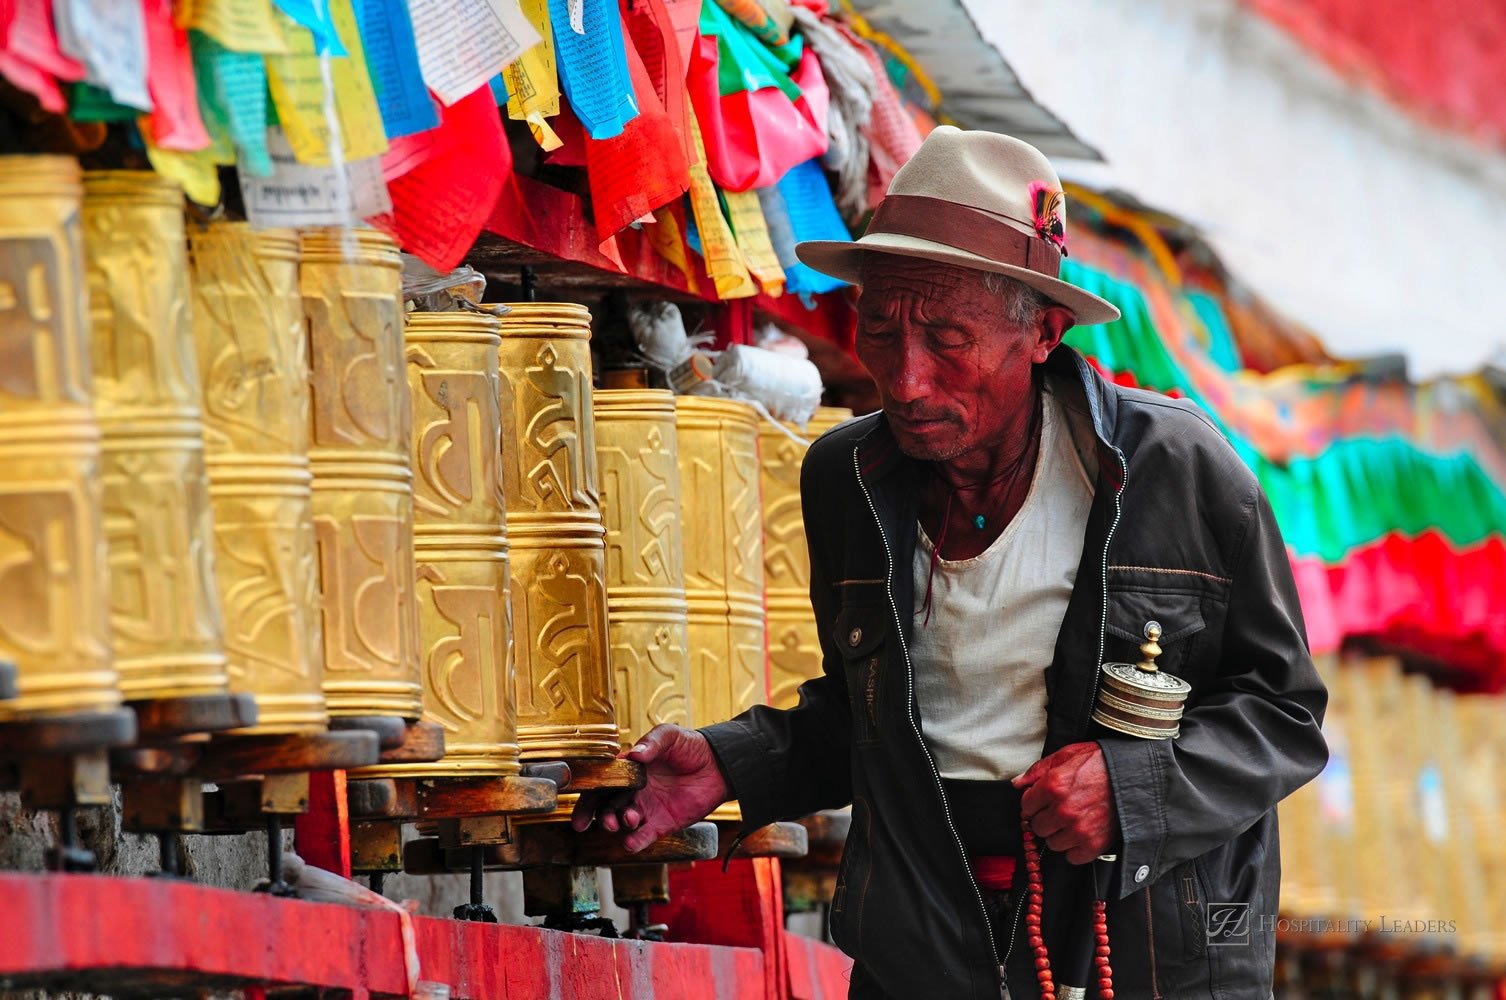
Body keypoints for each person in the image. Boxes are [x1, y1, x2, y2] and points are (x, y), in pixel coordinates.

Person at [573, 126, 1328, 999]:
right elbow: (876, 720)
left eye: (947, 339)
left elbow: (1284, 713)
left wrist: (1132, 789)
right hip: (927, 940)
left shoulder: (1177, 470)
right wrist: (729, 763)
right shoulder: (846, 478)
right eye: (882, 330)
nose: (905, 379)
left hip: (1141, 948)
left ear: (1042, 331)